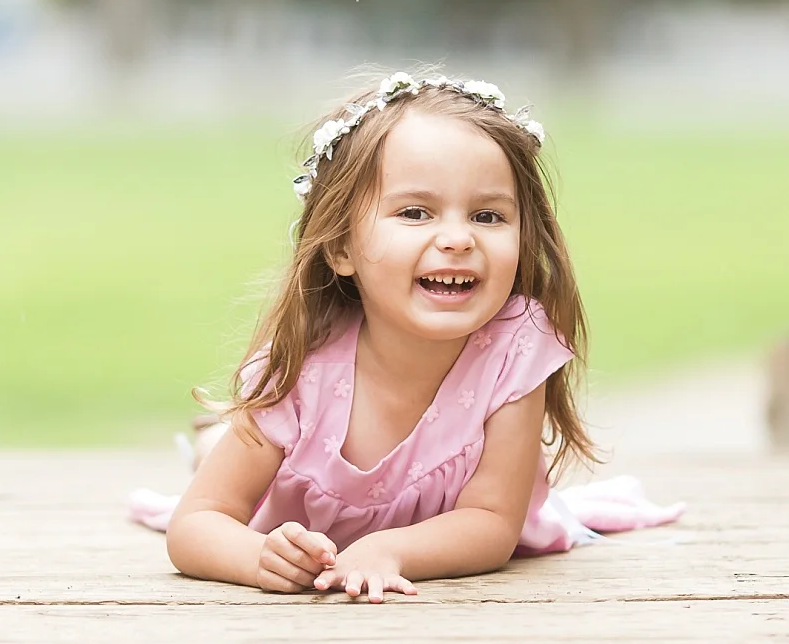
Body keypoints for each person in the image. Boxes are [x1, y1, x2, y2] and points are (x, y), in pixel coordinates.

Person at [127, 70, 683, 601]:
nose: (458, 238)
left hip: (399, 536)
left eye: (488, 217)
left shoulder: (515, 349)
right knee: (226, 453)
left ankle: (220, 435)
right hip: (289, 480)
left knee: (239, 443)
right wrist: (259, 558)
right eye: (416, 212)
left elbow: (491, 523)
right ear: (341, 247)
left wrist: (387, 549)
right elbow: (196, 524)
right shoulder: (299, 372)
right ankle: (216, 436)